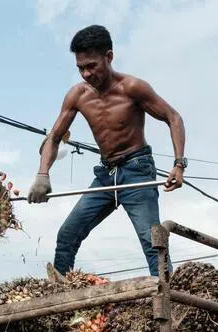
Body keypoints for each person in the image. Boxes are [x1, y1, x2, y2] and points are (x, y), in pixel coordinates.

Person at [28, 24, 187, 277]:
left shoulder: (132, 87)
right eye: (81, 68)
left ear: (109, 57)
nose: (87, 73)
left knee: (152, 242)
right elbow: (54, 137)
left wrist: (179, 164)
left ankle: (169, 302)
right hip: (105, 173)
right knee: (67, 235)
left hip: (137, 170)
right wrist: (42, 175)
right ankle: (59, 303)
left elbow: (173, 117)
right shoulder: (77, 95)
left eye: (92, 65)